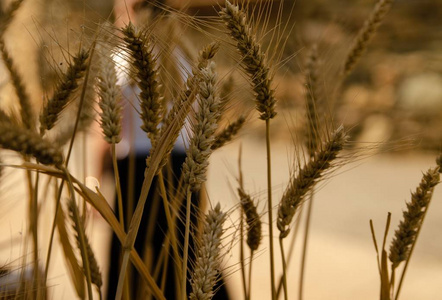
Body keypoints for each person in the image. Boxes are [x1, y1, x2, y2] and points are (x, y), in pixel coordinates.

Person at [106, 1, 229, 299]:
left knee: (129, 251)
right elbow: (202, 122)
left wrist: (96, 178)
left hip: (137, 171)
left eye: (121, 11)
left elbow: (109, 131)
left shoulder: (121, 60)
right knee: (185, 251)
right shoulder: (187, 59)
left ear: (135, 14)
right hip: (182, 166)